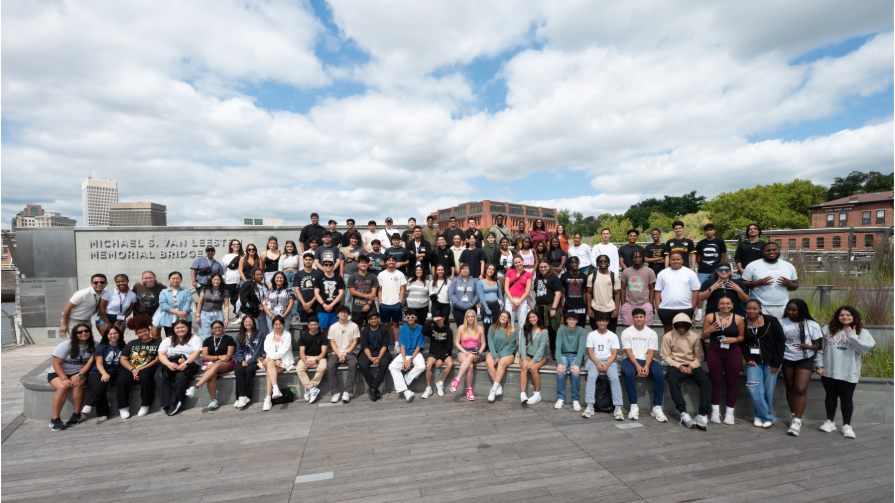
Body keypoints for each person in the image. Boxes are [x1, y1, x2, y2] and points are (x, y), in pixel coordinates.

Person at [816, 306, 876, 439]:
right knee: (830, 397)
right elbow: (820, 349)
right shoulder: (827, 329)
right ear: (837, 316)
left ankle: (847, 426)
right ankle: (830, 421)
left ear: (854, 317)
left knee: (846, 399)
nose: (845, 317)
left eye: (848, 315)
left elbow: (863, 350)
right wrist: (819, 365)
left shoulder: (862, 332)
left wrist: (851, 335)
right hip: (829, 370)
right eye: (842, 315)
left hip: (849, 371)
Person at [660, 313, 711, 430]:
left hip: (692, 364)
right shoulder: (668, 336)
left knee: (706, 381)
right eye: (679, 326)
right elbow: (665, 356)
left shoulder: (695, 336)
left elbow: (700, 356)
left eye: (685, 326)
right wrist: (679, 366)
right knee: (672, 380)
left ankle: (702, 414)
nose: (682, 329)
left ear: (689, 326)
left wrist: (691, 366)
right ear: (675, 326)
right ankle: (683, 413)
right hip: (676, 364)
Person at [780, 299, 823, 436]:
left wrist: (808, 346)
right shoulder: (782, 323)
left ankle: (797, 421)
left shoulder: (811, 324)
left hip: (805, 358)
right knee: (790, 387)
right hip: (787, 358)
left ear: (801, 311)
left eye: (794, 310)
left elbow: (819, 345)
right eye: (789, 309)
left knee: (800, 389)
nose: (790, 312)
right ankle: (794, 414)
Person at [701, 295, 745, 425]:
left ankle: (729, 413)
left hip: (733, 351)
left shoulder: (738, 319)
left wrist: (734, 339)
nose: (725, 306)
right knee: (715, 381)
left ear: (732, 305)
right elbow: (703, 336)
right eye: (722, 303)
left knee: (732, 382)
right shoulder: (710, 317)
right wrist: (709, 330)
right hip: (715, 351)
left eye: (728, 303)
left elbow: (742, 337)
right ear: (718, 305)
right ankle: (715, 412)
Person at [742, 299, 785, 428]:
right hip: (753, 362)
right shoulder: (744, 323)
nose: (751, 311)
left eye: (754, 308)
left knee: (767, 391)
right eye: (749, 308)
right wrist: (747, 357)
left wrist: (776, 363)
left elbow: (780, 342)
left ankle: (758, 415)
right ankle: (768, 416)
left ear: (760, 309)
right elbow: (742, 344)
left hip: (772, 362)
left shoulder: (772, 321)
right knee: (753, 388)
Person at [620, 308, 667, 422]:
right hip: (631, 359)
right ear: (633, 318)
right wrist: (637, 365)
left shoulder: (651, 333)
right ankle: (633, 405)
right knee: (629, 373)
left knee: (659, 373)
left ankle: (657, 407)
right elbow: (628, 351)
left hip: (647, 359)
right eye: (636, 317)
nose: (639, 319)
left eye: (641, 316)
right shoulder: (627, 332)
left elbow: (651, 352)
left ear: (645, 318)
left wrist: (646, 366)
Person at [48, 324, 95, 430]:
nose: (83, 333)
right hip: (58, 373)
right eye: (80, 332)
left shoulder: (94, 345)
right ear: (75, 334)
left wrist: (79, 375)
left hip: (79, 373)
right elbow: (56, 364)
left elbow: (89, 364)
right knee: (62, 387)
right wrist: (64, 379)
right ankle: (55, 419)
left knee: (78, 384)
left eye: (86, 331)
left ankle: (76, 415)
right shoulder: (66, 345)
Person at [581, 314, 624, 420]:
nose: (601, 323)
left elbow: (614, 353)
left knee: (614, 378)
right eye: (599, 321)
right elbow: (590, 352)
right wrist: (597, 363)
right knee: (591, 378)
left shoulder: (613, 335)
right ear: (596, 322)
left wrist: (606, 364)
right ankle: (589, 406)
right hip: (594, 360)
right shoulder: (591, 335)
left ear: (607, 322)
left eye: (604, 321)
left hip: (609, 361)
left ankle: (618, 408)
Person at [185, 320, 235, 410]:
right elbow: (205, 356)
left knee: (215, 366)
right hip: (211, 364)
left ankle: (195, 387)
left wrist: (214, 358)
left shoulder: (229, 339)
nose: (217, 329)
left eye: (219, 327)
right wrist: (218, 357)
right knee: (212, 373)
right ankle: (213, 401)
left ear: (223, 328)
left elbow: (227, 357)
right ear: (212, 329)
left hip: (227, 364)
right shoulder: (207, 340)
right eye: (215, 328)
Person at [155, 319, 202, 417]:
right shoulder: (168, 339)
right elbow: (161, 354)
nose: (180, 329)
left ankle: (177, 402)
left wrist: (186, 363)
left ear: (188, 328)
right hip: (171, 362)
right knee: (160, 374)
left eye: (182, 327)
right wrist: (168, 364)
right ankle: (166, 403)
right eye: (177, 328)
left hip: (190, 363)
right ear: (173, 329)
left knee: (181, 377)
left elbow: (196, 353)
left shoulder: (195, 338)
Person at [117, 316, 160, 419]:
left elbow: (157, 359)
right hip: (131, 367)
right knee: (122, 380)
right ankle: (123, 407)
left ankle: (145, 404)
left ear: (149, 329)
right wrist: (132, 369)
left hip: (148, 367)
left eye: (145, 331)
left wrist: (141, 368)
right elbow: (123, 359)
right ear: (136, 334)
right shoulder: (131, 343)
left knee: (146, 378)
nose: (143, 334)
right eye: (140, 332)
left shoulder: (157, 342)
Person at [742, 242, 799, 319]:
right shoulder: (752, 265)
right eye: (768, 250)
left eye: (774, 249)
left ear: (779, 251)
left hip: (783, 306)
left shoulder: (789, 266)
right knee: (761, 330)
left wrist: (789, 284)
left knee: (780, 330)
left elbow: (796, 285)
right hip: (759, 307)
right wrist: (757, 283)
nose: (771, 252)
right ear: (762, 252)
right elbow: (743, 284)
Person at [82, 325, 124, 422]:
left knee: (104, 381)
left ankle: (89, 403)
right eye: (110, 334)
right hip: (97, 371)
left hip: (113, 371)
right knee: (100, 383)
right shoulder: (102, 347)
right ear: (107, 335)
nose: (113, 335)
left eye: (115, 333)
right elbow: (99, 363)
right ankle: (102, 412)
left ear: (119, 334)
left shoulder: (122, 346)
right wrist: (104, 373)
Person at [654, 252, 700, 334]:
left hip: (685, 308)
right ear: (669, 261)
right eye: (673, 259)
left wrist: (692, 307)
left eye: (678, 259)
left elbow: (695, 291)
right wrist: (658, 308)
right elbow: (657, 291)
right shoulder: (662, 274)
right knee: (668, 333)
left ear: (682, 260)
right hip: (666, 308)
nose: (676, 261)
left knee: (684, 334)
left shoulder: (690, 273)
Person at [388, 311, 426, 402]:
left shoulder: (421, 328)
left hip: (415, 353)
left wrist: (411, 359)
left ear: (416, 317)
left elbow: (419, 346)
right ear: (405, 318)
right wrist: (405, 360)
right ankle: (405, 391)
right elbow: (402, 345)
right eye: (407, 317)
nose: (410, 319)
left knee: (422, 366)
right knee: (392, 367)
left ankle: (407, 378)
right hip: (404, 353)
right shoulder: (403, 328)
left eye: (412, 317)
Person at [449, 309, 486, 400]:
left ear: (475, 317)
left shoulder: (480, 328)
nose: (470, 318)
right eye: (468, 316)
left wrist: (479, 352)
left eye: (472, 316)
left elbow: (484, 343)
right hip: (463, 350)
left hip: (475, 350)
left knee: (470, 356)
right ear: (465, 318)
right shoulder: (461, 328)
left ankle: (457, 379)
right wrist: (464, 351)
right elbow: (457, 342)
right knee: (469, 366)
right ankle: (469, 390)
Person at [326, 306, 360, 403]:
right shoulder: (333, 327)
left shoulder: (354, 326)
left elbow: (354, 342)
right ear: (337, 314)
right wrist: (339, 354)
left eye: (345, 312)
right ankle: (335, 392)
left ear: (348, 314)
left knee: (353, 364)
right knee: (330, 365)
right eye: (341, 312)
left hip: (349, 352)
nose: (343, 314)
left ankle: (347, 392)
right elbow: (332, 342)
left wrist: (346, 353)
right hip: (336, 352)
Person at [261, 315, 294, 411]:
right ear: (273, 325)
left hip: (284, 361)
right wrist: (275, 360)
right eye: (276, 324)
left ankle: (268, 398)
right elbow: (266, 349)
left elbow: (283, 350)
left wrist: (274, 359)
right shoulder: (269, 336)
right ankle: (274, 390)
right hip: (274, 361)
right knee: (270, 365)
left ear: (283, 325)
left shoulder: (287, 335)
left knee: (268, 372)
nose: (278, 326)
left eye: (280, 324)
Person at [554, 313, 586, 411]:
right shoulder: (561, 329)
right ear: (566, 320)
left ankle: (575, 399)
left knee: (575, 373)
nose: (572, 321)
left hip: (576, 355)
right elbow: (558, 347)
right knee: (560, 371)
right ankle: (560, 398)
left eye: (574, 319)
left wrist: (577, 364)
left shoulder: (581, 330)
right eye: (569, 319)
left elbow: (581, 348)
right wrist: (559, 362)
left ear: (577, 321)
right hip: (564, 355)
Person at [233, 316, 266, 409]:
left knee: (249, 370)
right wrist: (241, 360)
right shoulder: (240, 335)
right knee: (238, 370)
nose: (248, 323)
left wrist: (249, 362)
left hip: (258, 360)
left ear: (253, 322)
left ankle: (247, 396)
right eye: (245, 322)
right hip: (243, 360)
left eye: (250, 321)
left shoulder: (259, 334)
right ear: (243, 324)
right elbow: (238, 351)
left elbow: (258, 350)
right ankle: (241, 397)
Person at [358, 312, 392, 401]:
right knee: (362, 364)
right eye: (371, 319)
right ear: (368, 321)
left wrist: (379, 358)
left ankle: (373, 388)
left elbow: (385, 345)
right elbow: (364, 346)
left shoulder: (384, 329)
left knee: (384, 363)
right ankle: (375, 388)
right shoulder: (365, 331)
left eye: (375, 318)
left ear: (378, 319)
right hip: (368, 352)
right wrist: (371, 358)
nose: (374, 320)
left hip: (381, 351)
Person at [533, 260, 562, 360]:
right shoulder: (538, 278)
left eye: (545, 266)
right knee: (541, 331)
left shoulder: (554, 278)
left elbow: (558, 293)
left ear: (549, 266)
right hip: (539, 308)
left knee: (553, 331)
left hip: (550, 308)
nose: (543, 269)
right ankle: (541, 351)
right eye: (541, 267)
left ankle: (554, 352)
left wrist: (554, 308)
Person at [484, 311, 516, 403]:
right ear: (499, 317)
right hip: (494, 352)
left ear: (508, 319)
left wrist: (500, 355)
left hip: (507, 354)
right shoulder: (492, 328)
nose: (503, 318)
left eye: (505, 317)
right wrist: (495, 355)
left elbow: (510, 346)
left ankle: (493, 390)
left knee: (502, 362)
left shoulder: (512, 330)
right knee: (489, 362)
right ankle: (498, 387)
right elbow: (490, 342)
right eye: (501, 316)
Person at [585, 254, 621, 333]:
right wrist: (589, 308)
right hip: (596, 309)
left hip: (610, 309)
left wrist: (616, 309)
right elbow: (588, 293)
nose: (603, 262)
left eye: (605, 261)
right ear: (597, 263)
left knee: (611, 333)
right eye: (600, 261)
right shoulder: (592, 276)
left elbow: (618, 293)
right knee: (596, 333)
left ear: (609, 263)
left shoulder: (614, 277)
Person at [519, 311, 548, 406]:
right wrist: (524, 359)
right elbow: (522, 345)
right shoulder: (526, 329)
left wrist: (533, 361)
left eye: (534, 317)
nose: (532, 319)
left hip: (540, 357)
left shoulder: (544, 331)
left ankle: (537, 393)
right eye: (530, 317)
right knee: (524, 366)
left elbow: (541, 348)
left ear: (538, 317)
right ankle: (523, 394)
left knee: (533, 368)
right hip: (527, 354)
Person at [421, 313, 454, 398]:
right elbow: (423, 331)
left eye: (439, 319)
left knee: (450, 364)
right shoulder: (432, 328)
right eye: (436, 319)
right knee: (428, 366)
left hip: (444, 353)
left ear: (443, 318)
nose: (438, 320)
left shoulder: (448, 330)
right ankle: (428, 388)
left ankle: (440, 383)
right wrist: (432, 320)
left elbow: (449, 346)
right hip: (433, 352)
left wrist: (442, 359)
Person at [620, 251, 656, 326]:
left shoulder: (649, 271)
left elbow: (651, 289)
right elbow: (622, 289)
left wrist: (651, 302)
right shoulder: (626, 271)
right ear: (631, 259)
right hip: (629, 304)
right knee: (629, 328)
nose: (637, 259)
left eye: (639, 257)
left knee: (647, 328)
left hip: (645, 303)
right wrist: (623, 304)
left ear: (642, 258)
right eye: (635, 257)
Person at [296, 317, 328, 404]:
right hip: (306, 357)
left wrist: (316, 360)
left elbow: (323, 352)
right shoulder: (304, 336)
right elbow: (301, 353)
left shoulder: (323, 336)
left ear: (318, 325)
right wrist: (305, 361)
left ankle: (309, 387)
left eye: (315, 324)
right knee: (299, 368)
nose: (313, 326)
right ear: (308, 326)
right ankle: (312, 389)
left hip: (319, 357)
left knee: (323, 366)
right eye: (311, 325)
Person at [377, 255, 407, 346]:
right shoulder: (381, 274)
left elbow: (402, 288)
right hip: (384, 303)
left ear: (395, 262)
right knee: (385, 324)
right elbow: (379, 289)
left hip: (396, 303)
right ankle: (385, 344)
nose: (391, 262)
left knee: (396, 324)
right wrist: (380, 302)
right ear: (386, 262)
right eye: (389, 260)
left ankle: (397, 344)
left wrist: (400, 301)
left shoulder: (400, 274)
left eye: (393, 260)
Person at [314, 254, 346, 332]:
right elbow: (316, 293)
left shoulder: (339, 278)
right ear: (323, 266)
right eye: (326, 264)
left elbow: (341, 293)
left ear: (333, 265)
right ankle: (324, 344)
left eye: (330, 264)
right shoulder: (318, 277)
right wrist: (324, 305)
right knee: (322, 330)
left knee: (337, 330)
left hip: (335, 309)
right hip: (322, 309)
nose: (328, 266)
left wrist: (331, 305)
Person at [156, 271, 193, 337]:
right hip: (169, 320)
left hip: (185, 318)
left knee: (186, 338)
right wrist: (177, 312)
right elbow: (163, 305)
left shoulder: (186, 291)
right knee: (171, 339)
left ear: (181, 280)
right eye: (173, 278)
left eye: (177, 278)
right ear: (169, 279)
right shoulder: (164, 292)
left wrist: (183, 312)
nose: (175, 280)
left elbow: (188, 302)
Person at [347, 255, 379, 325]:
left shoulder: (373, 276)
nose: (363, 264)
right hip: (357, 307)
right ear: (358, 264)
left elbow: (374, 292)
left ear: (368, 264)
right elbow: (352, 292)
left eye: (365, 263)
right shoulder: (352, 277)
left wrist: (368, 304)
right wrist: (367, 296)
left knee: (372, 327)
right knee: (357, 329)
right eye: (361, 262)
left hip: (371, 307)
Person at [132, 271, 165, 338]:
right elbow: (133, 298)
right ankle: (143, 348)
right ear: (142, 279)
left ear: (154, 278)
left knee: (155, 334)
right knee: (142, 334)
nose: (148, 280)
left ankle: (157, 347)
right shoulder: (137, 286)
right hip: (141, 314)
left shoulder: (162, 287)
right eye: (146, 278)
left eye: (150, 278)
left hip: (156, 314)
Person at [504, 255, 533, 329]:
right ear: (514, 264)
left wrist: (519, 302)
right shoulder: (509, 272)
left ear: (522, 261)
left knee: (522, 324)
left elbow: (527, 290)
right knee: (509, 323)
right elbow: (506, 288)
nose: (518, 264)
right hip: (510, 300)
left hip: (522, 300)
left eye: (519, 262)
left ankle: (522, 341)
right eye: (516, 263)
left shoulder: (528, 274)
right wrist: (513, 301)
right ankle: (511, 340)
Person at [196, 273, 228, 338]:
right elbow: (199, 303)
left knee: (219, 333)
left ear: (221, 281)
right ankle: (206, 347)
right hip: (205, 314)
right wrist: (198, 315)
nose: (216, 281)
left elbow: (226, 306)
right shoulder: (204, 289)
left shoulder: (224, 291)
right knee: (205, 334)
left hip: (218, 314)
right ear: (211, 280)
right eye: (214, 279)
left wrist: (226, 318)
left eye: (218, 280)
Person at [294, 251, 321, 325]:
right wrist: (304, 304)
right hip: (302, 306)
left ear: (313, 261)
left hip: (315, 305)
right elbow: (297, 290)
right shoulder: (298, 274)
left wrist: (310, 303)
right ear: (303, 261)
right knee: (304, 328)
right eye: (306, 259)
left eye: (310, 259)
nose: (308, 261)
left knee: (316, 326)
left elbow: (319, 291)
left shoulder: (318, 274)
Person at [239, 268, 268, 335]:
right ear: (253, 275)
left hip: (263, 312)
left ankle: (262, 345)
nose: (259, 276)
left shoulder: (265, 285)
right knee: (253, 332)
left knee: (263, 332)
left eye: (261, 274)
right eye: (257, 274)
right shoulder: (248, 284)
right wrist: (256, 307)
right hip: (251, 313)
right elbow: (244, 300)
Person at [559, 256, 587, 325]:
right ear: (569, 264)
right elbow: (562, 291)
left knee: (581, 327)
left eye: (576, 262)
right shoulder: (564, 276)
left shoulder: (584, 276)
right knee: (569, 326)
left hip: (580, 306)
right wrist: (562, 304)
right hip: (569, 306)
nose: (575, 264)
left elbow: (585, 292)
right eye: (572, 262)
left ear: (579, 263)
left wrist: (585, 305)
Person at [476, 264, 503, 334]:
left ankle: (494, 344)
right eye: (489, 269)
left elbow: (500, 295)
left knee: (496, 326)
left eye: (492, 269)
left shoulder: (497, 282)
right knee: (487, 326)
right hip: (485, 307)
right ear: (486, 270)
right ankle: (486, 345)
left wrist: (501, 307)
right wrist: (487, 309)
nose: (490, 271)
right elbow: (481, 296)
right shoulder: (480, 282)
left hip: (496, 306)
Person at [221, 240, 243, 321]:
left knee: (241, 298)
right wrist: (223, 279)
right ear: (231, 246)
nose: (236, 245)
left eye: (238, 244)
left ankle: (240, 314)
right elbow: (223, 269)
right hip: (229, 280)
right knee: (233, 299)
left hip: (240, 280)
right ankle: (237, 313)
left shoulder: (243, 255)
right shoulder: (226, 256)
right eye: (234, 244)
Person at [341, 232, 365, 309]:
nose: (354, 240)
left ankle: (358, 313)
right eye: (352, 238)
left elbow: (364, 262)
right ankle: (349, 314)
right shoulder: (344, 250)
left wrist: (353, 257)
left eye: (356, 238)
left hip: (359, 275)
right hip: (347, 275)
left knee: (360, 295)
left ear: (358, 240)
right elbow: (341, 264)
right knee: (348, 296)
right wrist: (341, 275)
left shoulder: (361, 249)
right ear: (349, 239)